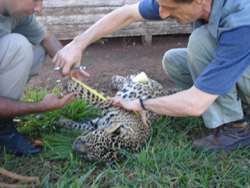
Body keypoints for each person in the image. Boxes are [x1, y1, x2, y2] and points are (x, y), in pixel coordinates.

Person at [53, 0, 250, 153]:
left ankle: (236, 128)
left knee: (200, 42)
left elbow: (195, 104)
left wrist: (142, 104)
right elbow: (127, 13)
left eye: (167, 7)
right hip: (241, 62)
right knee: (173, 60)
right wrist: (77, 44)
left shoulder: (240, 19)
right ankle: (237, 104)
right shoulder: (179, 2)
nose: (162, 14)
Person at [0, 0, 89, 155]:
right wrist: (41, 106)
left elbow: (46, 38)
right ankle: (3, 132)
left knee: (39, 49)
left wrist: (66, 64)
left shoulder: (14, 10)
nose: (39, 8)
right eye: (34, 0)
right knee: (17, 45)